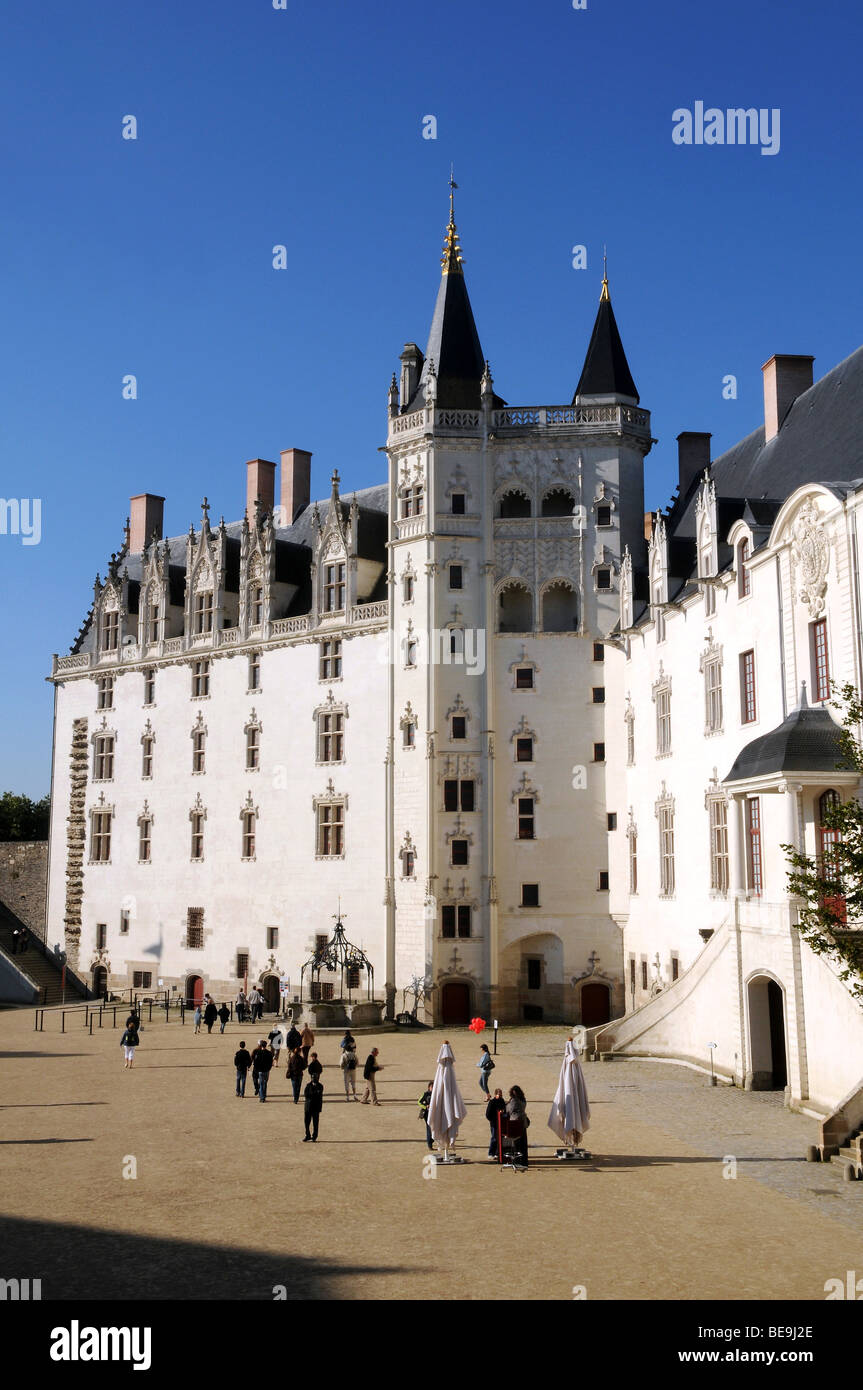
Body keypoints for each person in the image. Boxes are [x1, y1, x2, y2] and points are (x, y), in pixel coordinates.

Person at [505, 1085, 529, 1167]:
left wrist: (506, 1104)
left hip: (515, 1124)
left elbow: (509, 1110)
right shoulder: (523, 1100)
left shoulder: (514, 1101)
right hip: (523, 1123)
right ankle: (524, 1161)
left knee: (517, 1143)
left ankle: (517, 1161)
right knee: (524, 1143)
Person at [486, 1088, 507, 1160]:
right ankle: (491, 1153)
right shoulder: (492, 1102)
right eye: (499, 1094)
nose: (500, 1096)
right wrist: (493, 1120)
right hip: (494, 1124)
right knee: (494, 1138)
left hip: (501, 1123)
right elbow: (488, 1114)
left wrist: (502, 1113)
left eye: (501, 1095)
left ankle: (497, 1153)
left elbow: (505, 1110)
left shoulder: (502, 1101)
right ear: (495, 1094)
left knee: (501, 1139)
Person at [303, 1077, 324, 1141]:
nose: (314, 1079)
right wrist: (314, 1093)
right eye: (313, 1078)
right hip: (308, 1107)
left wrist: (312, 1094)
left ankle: (314, 1136)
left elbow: (318, 1094)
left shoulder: (320, 1086)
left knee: (315, 1123)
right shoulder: (308, 1085)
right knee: (307, 1122)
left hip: (316, 1107)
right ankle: (308, 1135)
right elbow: (306, 1094)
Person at [418, 1081, 434, 1149]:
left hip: (434, 1114)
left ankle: (432, 1140)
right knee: (429, 1128)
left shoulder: (437, 1094)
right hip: (427, 1113)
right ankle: (429, 1144)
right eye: (431, 1087)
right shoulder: (425, 1094)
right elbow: (419, 1102)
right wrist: (426, 1106)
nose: (433, 1088)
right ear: (429, 1087)